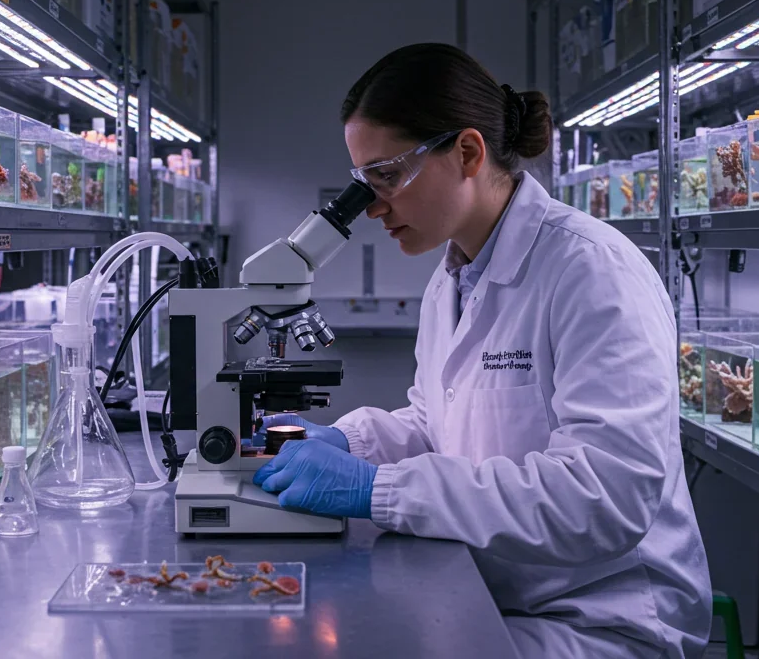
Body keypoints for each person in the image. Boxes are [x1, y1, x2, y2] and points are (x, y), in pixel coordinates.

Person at [253, 43, 712, 657]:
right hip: (499, 591)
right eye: (363, 184)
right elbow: (436, 420)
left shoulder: (591, 272)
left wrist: (376, 490)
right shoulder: (452, 276)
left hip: (600, 620)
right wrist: (349, 441)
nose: (372, 208)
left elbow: (605, 496)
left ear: (466, 152)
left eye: (386, 176)